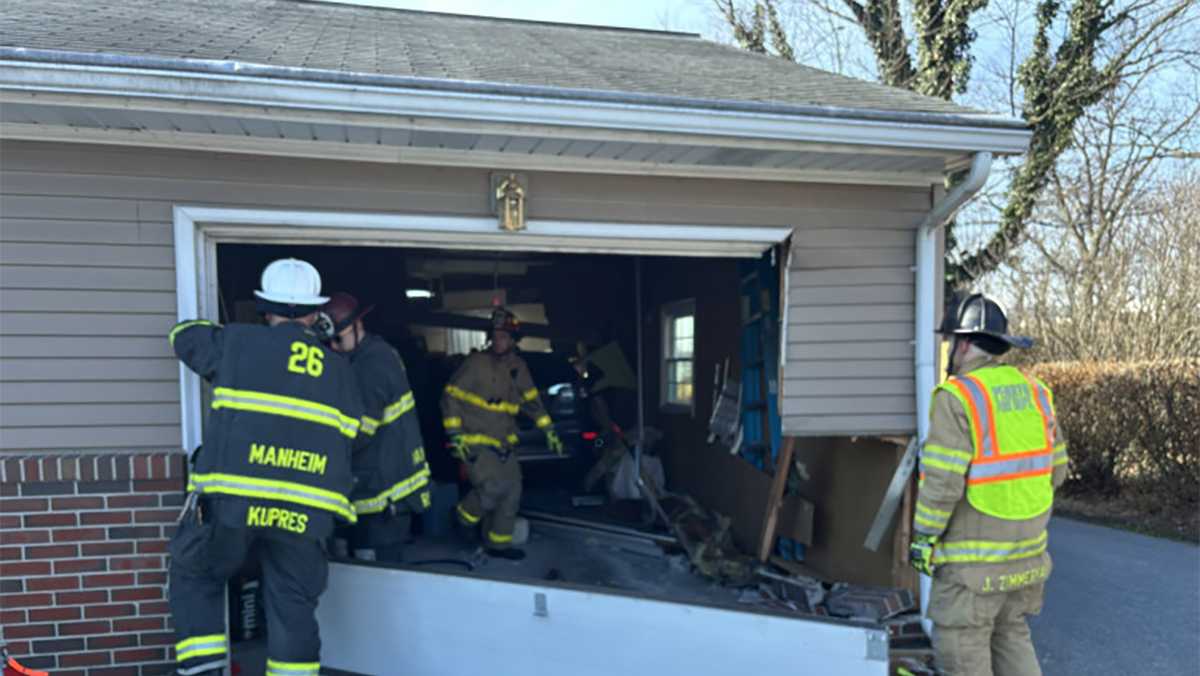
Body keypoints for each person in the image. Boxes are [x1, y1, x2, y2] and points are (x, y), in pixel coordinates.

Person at [167, 258, 363, 676]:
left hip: (234, 504)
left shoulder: (237, 342)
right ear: (316, 312)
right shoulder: (340, 370)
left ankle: (204, 671)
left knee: (196, 573)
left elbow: (183, 336)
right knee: (293, 603)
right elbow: (354, 433)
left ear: (264, 307)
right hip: (305, 512)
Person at [909, 293, 1069, 676]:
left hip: (972, 570)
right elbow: (1058, 471)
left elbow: (943, 484)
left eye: (950, 341)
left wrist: (923, 538)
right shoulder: (1036, 393)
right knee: (1011, 636)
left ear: (963, 344)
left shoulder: (957, 397)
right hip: (1026, 560)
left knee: (961, 647)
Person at [441, 307, 562, 560]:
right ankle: (461, 519)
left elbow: (532, 402)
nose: (498, 341)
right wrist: (454, 433)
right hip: (474, 440)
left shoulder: (519, 367)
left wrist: (549, 431)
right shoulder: (475, 364)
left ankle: (498, 545)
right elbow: (450, 397)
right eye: (495, 336)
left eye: (504, 337)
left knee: (512, 492)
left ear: (514, 340)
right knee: (491, 489)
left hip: (504, 442)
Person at [321, 292, 431, 562]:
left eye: (338, 339)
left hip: (385, 494)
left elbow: (360, 431)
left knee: (378, 570)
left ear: (358, 325)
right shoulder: (365, 355)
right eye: (328, 341)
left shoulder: (372, 364)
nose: (333, 347)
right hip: (374, 483)